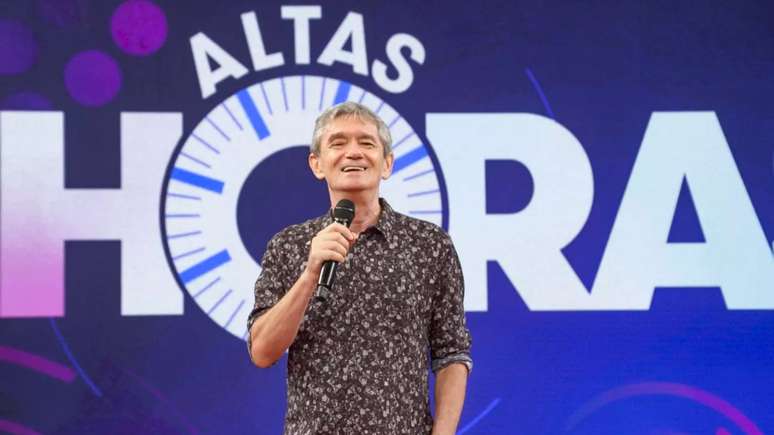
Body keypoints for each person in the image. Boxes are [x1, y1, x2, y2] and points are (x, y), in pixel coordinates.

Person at [247, 101, 472, 435]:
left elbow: (451, 352)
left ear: (387, 164)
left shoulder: (429, 245)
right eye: (338, 143)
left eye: (366, 143)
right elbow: (263, 352)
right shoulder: (289, 245)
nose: (353, 152)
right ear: (317, 164)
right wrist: (310, 274)